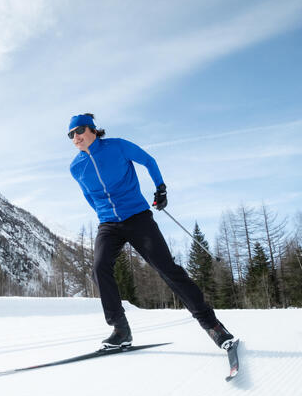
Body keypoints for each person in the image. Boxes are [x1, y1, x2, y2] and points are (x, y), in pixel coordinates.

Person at [67, 113, 236, 351]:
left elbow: (148, 160)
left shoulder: (117, 146)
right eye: (71, 134)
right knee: (99, 268)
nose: (76, 137)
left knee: (167, 269)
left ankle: (213, 326)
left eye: (79, 130)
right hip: (108, 224)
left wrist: (161, 188)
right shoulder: (76, 167)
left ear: (93, 130)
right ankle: (120, 330)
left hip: (137, 217)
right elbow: (88, 196)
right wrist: (104, 214)